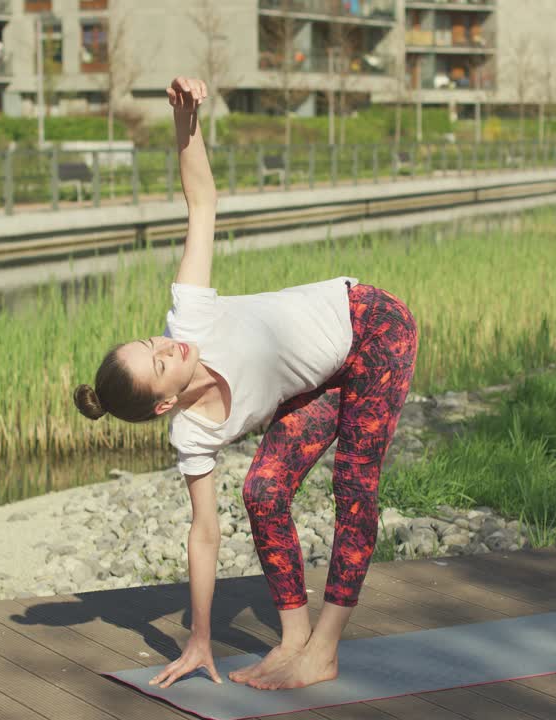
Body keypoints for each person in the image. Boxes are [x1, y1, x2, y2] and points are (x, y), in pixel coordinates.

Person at [73, 76, 419, 692]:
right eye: (159, 362)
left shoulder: (191, 313)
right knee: (262, 490)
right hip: (327, 377)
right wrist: (199, 637)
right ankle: (293, 641)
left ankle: (324, 650)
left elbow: (201, 201)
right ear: (163, 405)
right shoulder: (194, 435)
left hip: (371, 325)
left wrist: (186, 121)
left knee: (353, 481)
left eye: (152, 343)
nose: (168, 345)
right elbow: (203, 534)